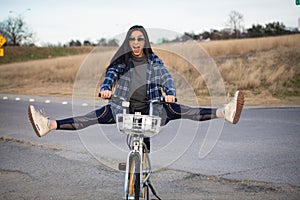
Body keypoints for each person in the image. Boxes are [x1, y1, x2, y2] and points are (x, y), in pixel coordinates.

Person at [28, 25, 244, 138]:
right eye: (132, 39)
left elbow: (165, 75)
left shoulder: (154, 60)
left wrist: (170, 92)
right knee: (91, 117)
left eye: (140, 38)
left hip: (153, 110)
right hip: (122, 109)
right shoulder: (123, 60)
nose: (136, 42)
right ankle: (48, 125)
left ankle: (225, 112)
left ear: (145, 41)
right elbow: (112, 73)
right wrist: (105, 88)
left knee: (181, 109)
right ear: (128, 42)